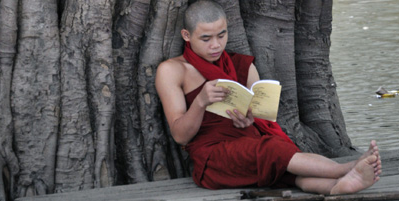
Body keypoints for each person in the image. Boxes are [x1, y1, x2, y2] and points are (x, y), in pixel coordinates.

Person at [155, 0, 382, 195]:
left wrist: (251, 119)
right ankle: (346, 168)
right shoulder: (173, 70)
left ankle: (338, 186)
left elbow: (261, 114)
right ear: (187, 35)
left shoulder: (242, 66)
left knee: (291, 174)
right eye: (206, 38)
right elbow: (180, 136)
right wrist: (200, 101)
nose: (216, 45)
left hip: (251, 144)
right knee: (274, 150)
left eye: (221, 35)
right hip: (213, 158)